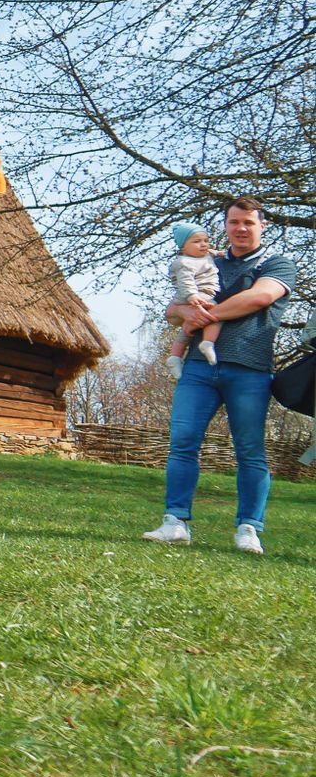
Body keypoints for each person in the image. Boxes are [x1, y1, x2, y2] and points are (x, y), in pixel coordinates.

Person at [143, 198, 293, 555]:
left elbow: (259, 298)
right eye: (234, 222)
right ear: (225, 225)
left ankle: (248, 528)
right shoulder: (205, 261)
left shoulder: (277, 264)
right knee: (183, 442)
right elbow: (173, 308)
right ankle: (174, 522)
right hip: (198, 367)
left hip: (250, 370)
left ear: (262, 226)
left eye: (248, 223)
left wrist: (205, 316)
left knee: (250, 451)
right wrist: (182, 311)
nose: (241, 228)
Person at [165, 224, 221, 375]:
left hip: (198, 294)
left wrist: (219, 253)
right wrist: (192, 296)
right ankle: (208, 343)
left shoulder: (204, 255)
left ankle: (175, 356)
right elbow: (186, 281)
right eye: (197, 241)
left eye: (205, 240)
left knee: (188, 328)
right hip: (198, 294)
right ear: (183, 247)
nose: (203, 244)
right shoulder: (185, 263)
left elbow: (210, 252)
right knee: (215, 313)